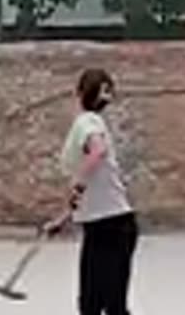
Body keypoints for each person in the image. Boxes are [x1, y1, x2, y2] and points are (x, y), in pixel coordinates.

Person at [56, 68, 138, 315]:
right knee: (100, 305)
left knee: (102, 306)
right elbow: (94, 181)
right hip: (108, 225)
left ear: (78, 93)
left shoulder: (86, 122)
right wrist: (63, 217)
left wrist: (78, 183)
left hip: (111, 226)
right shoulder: (95, 122)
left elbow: (98, 151)